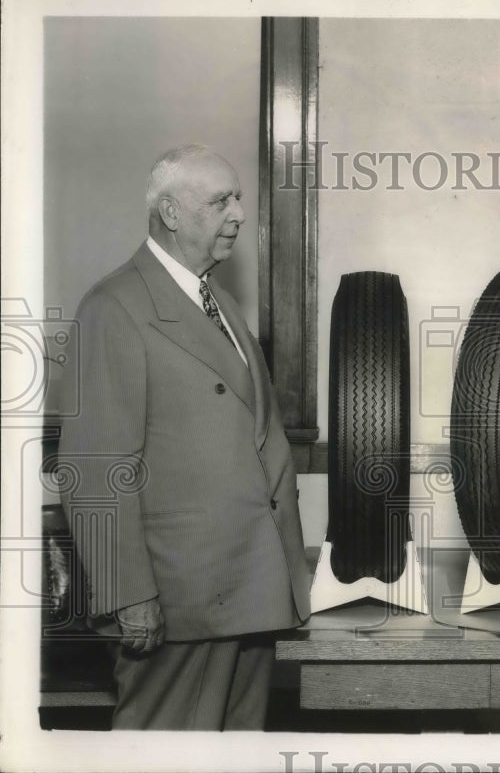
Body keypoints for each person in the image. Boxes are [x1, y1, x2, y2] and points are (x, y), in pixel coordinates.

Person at [58, 144, 311, 730]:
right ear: (170, 213)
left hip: (249, 590)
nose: (240, 214)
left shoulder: (216, 301)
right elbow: (96, 468)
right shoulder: (115, 306)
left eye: (239, 199)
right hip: (179, 599)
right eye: (221, 200)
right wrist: (128, 595)